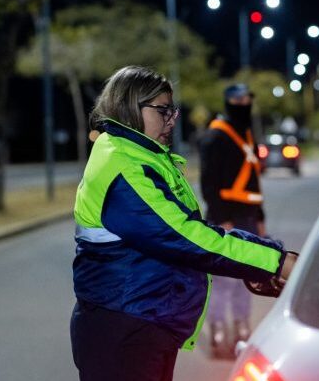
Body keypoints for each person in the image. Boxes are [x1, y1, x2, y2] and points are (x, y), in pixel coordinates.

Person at [70, 66, 296, 381]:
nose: (171, 120)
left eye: (172, 111)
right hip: (125, 329)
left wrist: (254, 263)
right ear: (130, 106)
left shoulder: (143, 155)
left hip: (141, 320)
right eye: (162, 111)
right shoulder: (124, 166)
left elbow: (189, 231)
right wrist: (276, 261)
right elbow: (185, 237)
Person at [198, 83, 266, 357]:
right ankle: (217, 329)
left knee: (248, 276)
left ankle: (241, 326)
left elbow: (254, 182)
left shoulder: (247, 133)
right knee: (223, 279)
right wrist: (221, 217)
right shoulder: (216, 135)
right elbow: (208, 183)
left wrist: (260, 217)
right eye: (239, 99)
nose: (244, 103)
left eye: (248, 98)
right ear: (228, 102)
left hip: (249, 216)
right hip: (223, 218)